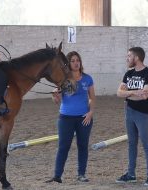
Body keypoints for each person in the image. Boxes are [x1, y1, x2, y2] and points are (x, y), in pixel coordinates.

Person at [46, 51, 95, 183]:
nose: (76, 63)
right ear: (68, 63)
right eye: (72, 61)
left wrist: (91, 112)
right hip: (65, 118)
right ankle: (57, 176)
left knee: (83, 146)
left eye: (77, 60)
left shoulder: (87, 78)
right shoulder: (63, 80)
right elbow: (58, 101)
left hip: (84, 118)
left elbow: (92, 98)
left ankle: (81, 174)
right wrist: (55, 95)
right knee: (63, 146)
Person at [116, 47, 148, 186]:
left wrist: (128, 93)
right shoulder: (128, 74)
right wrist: (134, 93)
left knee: (146, 144)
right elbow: (119, 93)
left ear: (136, 58)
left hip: (142, 114)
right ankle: (131, 174)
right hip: (129, 112)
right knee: (132, 143)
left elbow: (145, 95)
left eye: (129, 56)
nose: (127, 58)